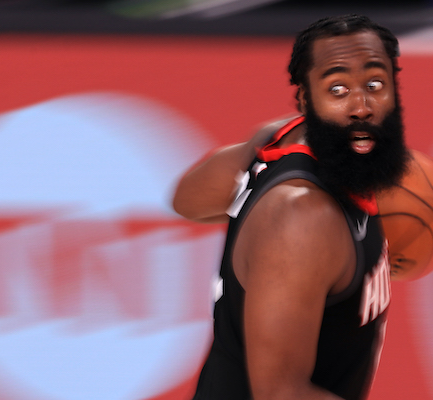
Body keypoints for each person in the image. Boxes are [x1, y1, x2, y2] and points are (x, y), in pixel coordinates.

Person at [173, 14, 411, 400]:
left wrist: (250, 183)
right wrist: (271, 220)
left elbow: (185, 198)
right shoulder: (302, 216)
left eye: (374, 84)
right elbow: (280, 393)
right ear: (305, 100)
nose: (361, 105)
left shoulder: (279, 140)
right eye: (337, 89)